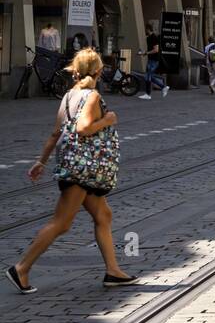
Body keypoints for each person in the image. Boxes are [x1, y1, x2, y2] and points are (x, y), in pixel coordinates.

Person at [6, 48, 135, 294]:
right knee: (61, 223)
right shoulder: (92, 96)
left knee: (103, 215)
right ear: (98, 71)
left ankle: (113, 271)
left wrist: (41, 161)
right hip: (83, 168)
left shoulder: (68, 96)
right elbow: (84, 128)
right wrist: (107, 120)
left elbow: (57, 133)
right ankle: (21, 268)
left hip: (74, 165)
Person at [139, 22, 169, 100]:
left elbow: (156, 50)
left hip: (154, 60)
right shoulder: (149, 38)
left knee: (148, 76)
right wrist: (144, 53)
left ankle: (148, 94)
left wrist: (146, 53)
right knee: (149, 76)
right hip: (151, 60)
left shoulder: (154, 38)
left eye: (145, 29)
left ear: (148, 29)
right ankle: (163, 87)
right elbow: (151, 49)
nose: (145, 31)